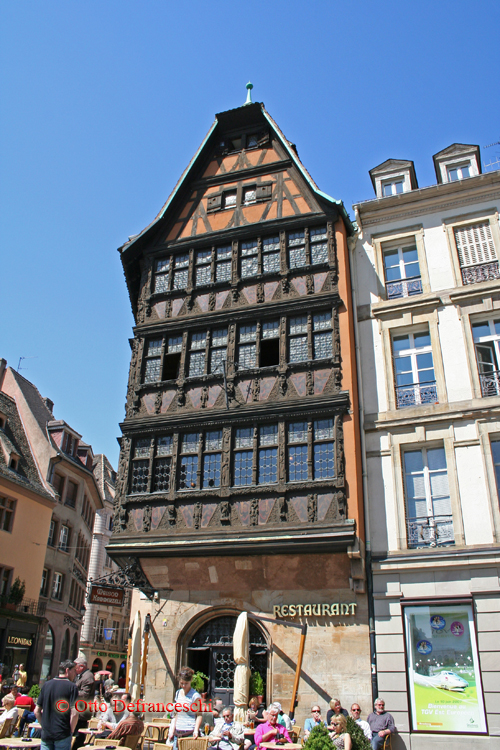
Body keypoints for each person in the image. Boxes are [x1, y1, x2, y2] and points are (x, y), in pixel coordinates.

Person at [34, 659, 79, 750]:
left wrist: (44, 725)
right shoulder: (72, 687)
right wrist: (71, 730)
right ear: (67, 670)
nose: (75, 674)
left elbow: (36, 711)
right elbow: (75, 713)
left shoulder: (46, 685)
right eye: (74, 670)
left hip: (47, 734)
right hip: (62, 733)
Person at [167, 666, 202, 749]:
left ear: (190, 681)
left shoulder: (195, 696)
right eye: (181, 683)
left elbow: (199, 715)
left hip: (189, 731)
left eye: (186, 683)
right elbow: (177, 714)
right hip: (177, 732)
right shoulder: (178, 693)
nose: (183, 685)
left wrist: (196, 730)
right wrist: (172, 729)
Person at [72, 657, 96, 750]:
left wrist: (72, 690)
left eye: (76, 667)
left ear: (81, 666)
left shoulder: (88, 677)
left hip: (82, 712)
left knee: (78, 737)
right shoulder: (82, 675)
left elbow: (85, 695)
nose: (74, 669)